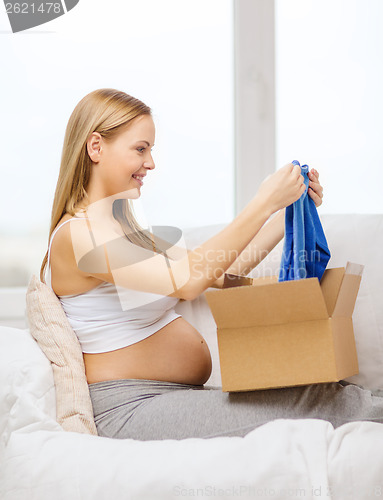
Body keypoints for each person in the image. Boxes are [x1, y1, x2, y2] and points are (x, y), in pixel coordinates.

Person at [41, 88, 383, 440]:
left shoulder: (125, 232)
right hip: (130, 407)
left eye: (151, 151)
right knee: (315, 404)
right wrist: (263, 202)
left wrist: (285, 214)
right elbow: (189, 281)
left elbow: (218, 272)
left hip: (165, 398)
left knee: (320, 391)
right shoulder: (77, 236)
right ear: (95, 147)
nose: (151, 163)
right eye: (140, 149)